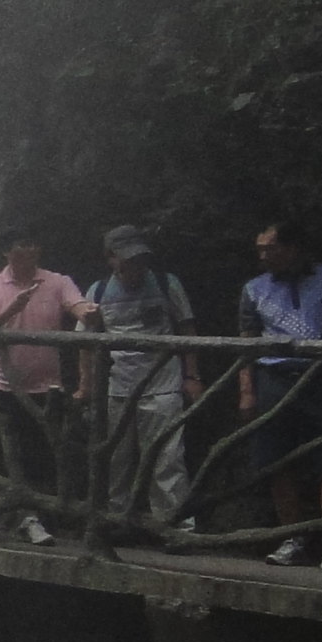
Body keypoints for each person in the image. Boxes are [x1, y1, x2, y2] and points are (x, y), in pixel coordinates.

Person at [237, 219, 322, 572]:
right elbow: (245, 341)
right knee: (277, 461)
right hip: (273, 376)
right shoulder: (255, 288)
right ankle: (292, 538)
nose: (264, 256)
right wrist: (246, 390)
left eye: (271, 248)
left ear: (293, 247)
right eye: (260, 249)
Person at [0, 227, 91, 546]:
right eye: (22, 244)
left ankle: (30, 518)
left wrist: (89, 312)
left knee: (37, 456)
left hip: (44, 389)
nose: (30, 249)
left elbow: (77, 305)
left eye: (34, 242)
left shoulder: (57, 281)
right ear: (7, 252)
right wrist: (11, 310)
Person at [86, 223, 200, 533]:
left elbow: (187, 330)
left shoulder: (166, 284)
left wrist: (192, 375)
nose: (136, 265)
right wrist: (88, 387)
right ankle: (116, 522)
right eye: (128, 258)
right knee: (117, 460)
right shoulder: (97, 292)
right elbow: (87, 342)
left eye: (140, 258)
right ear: (112, 258)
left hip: (163, 383)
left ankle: (174, 526)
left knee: (168, 457)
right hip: (118, 385)